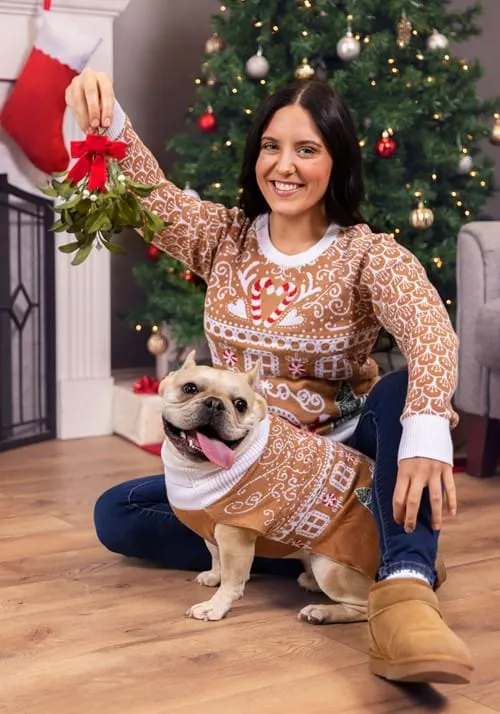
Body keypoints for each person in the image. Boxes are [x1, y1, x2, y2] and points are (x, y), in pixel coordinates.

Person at [65, 69, 473, 684]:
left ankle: (405, 585)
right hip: (244, 462)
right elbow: (150, 195)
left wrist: (426, 424)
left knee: (400, 395)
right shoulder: (225, 238)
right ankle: (306, 551)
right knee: (116, 514)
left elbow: (430, 331)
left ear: (337, 162)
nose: (284, 165)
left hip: (338, 460)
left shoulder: (370, 254)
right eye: (272, 146)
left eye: (307, 149)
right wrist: (103, 117)